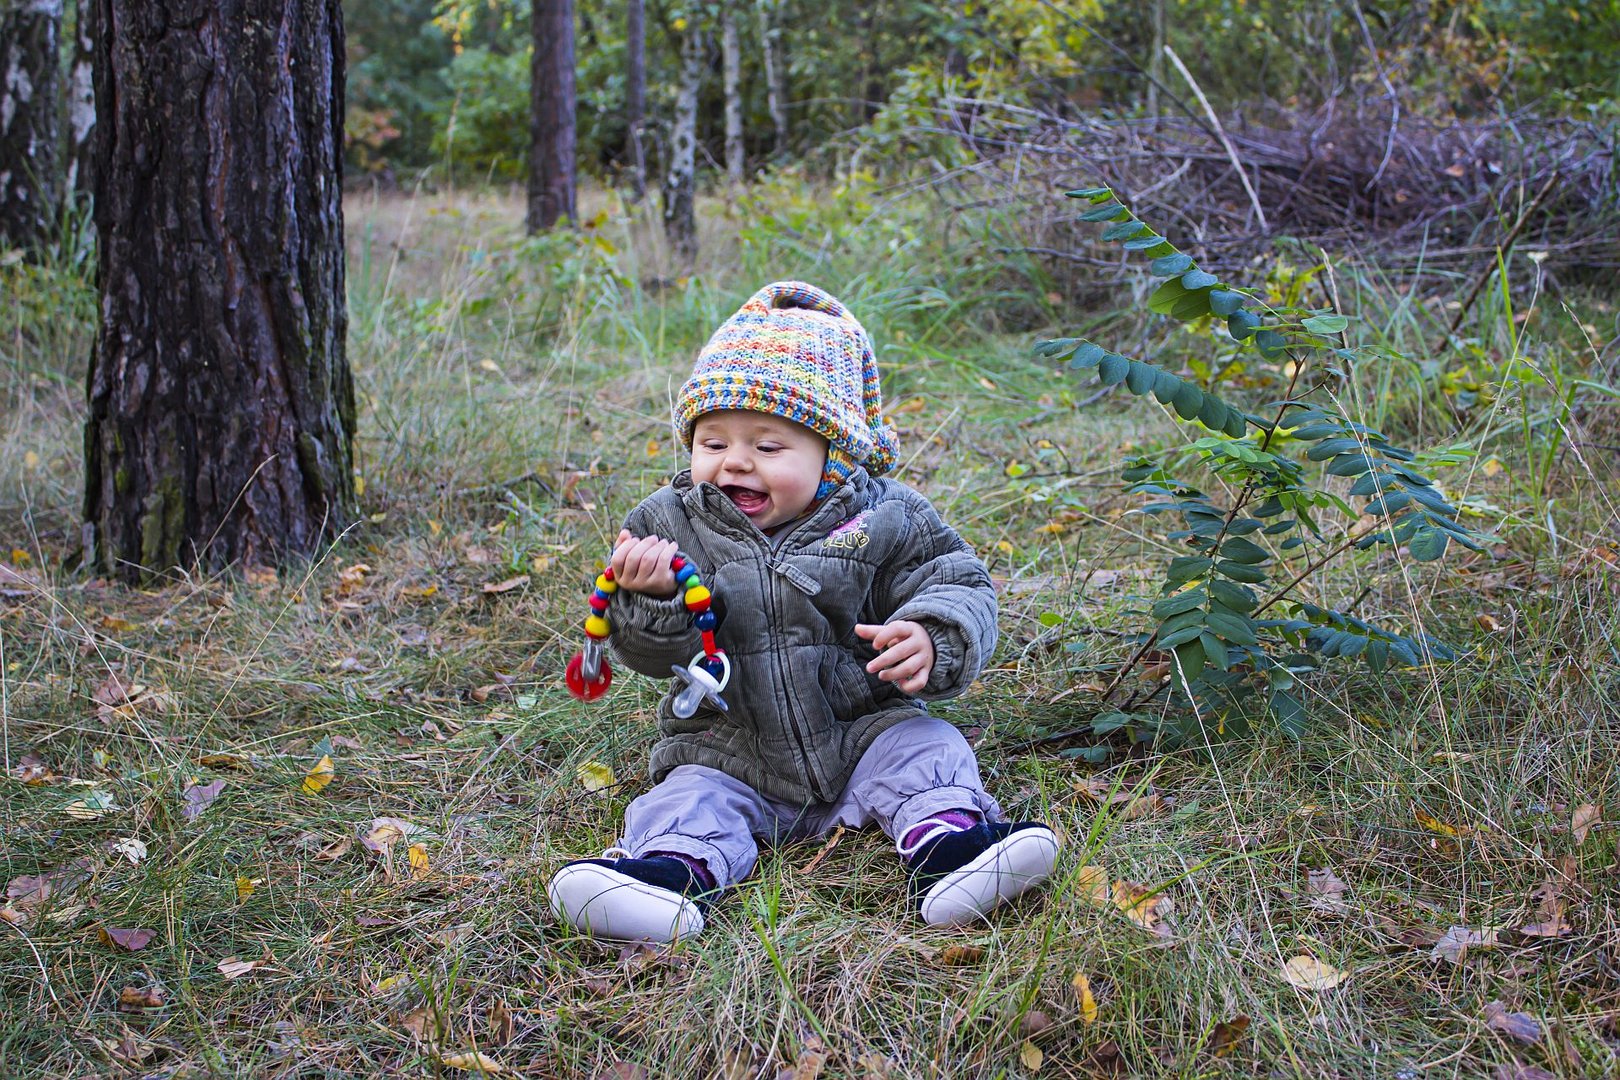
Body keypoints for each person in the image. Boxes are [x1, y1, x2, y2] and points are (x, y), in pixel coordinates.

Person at [547, 281, 1059, 942]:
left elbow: (956, 580)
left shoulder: (882, 515)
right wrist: (649, 600)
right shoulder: (668, 525)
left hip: (860, 730)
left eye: (767, 447)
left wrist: (933, 637)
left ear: (832, 454)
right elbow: (650, 656)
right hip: (729, 747)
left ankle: (949, 849)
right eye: (712, 443)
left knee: (927, 749)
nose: (735, 461)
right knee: (686, 798)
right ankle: (668, 878)